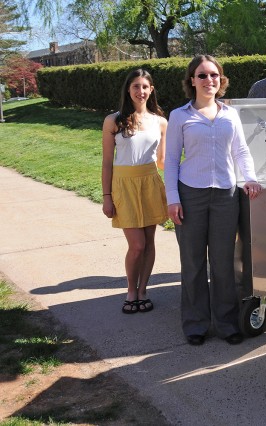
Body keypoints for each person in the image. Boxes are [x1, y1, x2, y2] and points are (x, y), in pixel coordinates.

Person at [164, 55, 263, 346]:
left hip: (225, 195)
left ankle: (227, 323)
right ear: (192, 80)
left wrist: (250, 177)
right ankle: (195, 324)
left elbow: (242, 151)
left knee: (222, 263)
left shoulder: (230, 114)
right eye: (203, 75)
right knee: (193, 262)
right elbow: (171, 161)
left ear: (221, 80)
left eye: (214, 75)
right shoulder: (180, 115)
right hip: (190, 194)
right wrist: (172, 199)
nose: (209, 80)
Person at [101, 69, 168, 314]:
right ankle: (131, 289)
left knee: (149, 243)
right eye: (136, 87)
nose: (141, 92)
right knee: (137, 245)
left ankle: (143, 291)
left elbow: (162, 162)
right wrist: (107, 197)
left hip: (150, 182)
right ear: (128, 90)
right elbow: (107, 162)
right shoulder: (114, 120)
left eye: (145, 87)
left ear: (151, 90)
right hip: (124, 185)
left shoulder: (160, 121)